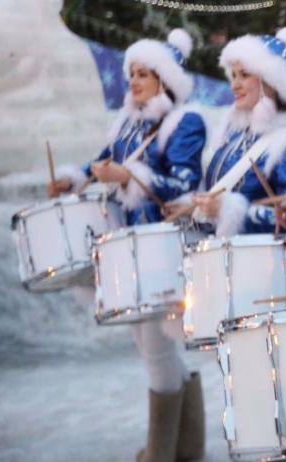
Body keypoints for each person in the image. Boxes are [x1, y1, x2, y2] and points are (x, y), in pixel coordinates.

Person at [52, 29, 207, 462]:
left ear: (166, 79)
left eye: (144, 74)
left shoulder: (185, 122)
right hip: (129, 244)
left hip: (164, 245)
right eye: (131, 73)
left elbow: (184, 186)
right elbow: (102, 160)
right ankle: (187, 447)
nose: (134, 81)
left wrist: (130, 177)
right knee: (150, 344)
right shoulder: (127, 121)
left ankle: (161, 452)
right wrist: (75, 177)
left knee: (155, 344)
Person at [181, 27, 286, 237]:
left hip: (264, 264)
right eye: (234, 75)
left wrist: (227, 211)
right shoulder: (233, 137)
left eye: (244, 75)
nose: (234, 85)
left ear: (271, 80)